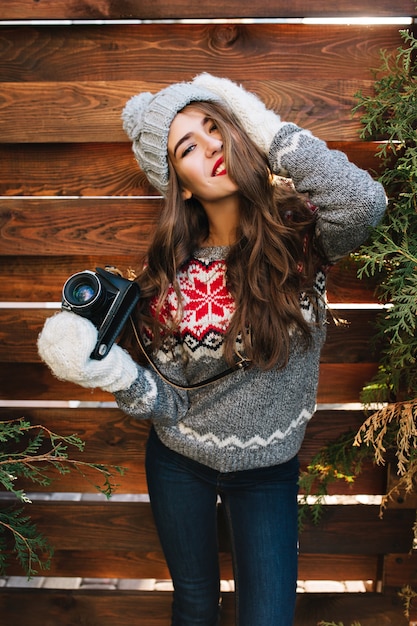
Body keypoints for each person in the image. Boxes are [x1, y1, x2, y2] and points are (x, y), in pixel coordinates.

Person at [37, 73, 387, 626]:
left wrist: (266, 130)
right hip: (179, 462)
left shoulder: (303, 236)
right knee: (195, 605)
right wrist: (110, 372)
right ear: (178, 181)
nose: (211, 147)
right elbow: (168, 400)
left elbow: (364, 201)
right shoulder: (168, 275)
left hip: (268, 470)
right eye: (187, 148)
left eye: (215, 126)